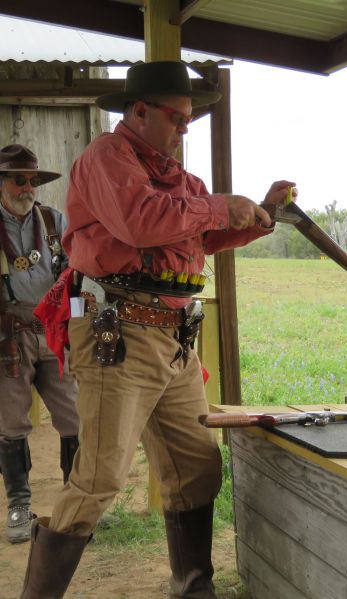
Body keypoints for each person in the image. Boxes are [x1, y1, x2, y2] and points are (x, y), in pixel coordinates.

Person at [20, 61, 295, 599]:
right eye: (177, 118)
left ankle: (193, 589)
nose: (184, 130)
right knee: (99, 479)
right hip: (117, 334)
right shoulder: (107, 156)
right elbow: (141, 221)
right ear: (140, 111)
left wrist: (258, 214)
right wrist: (220, 206)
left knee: (196, 467)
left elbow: (199, 238)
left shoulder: (183, 182)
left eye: (189, 120)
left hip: (175, 338)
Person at [0, 144, 79, 544]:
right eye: (19, 180)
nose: (28, 187)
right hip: (8, 335)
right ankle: (18, 505)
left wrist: (77, 322)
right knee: (11, 420)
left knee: (75, 415)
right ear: (1, 184)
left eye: (33, 180)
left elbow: (78, 272)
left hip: (54, 330)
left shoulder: (54, 221)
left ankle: (76, 504)